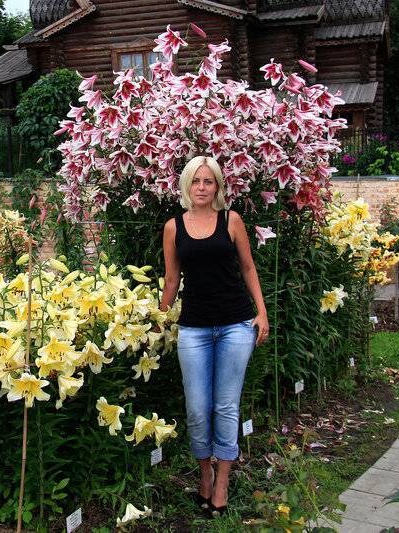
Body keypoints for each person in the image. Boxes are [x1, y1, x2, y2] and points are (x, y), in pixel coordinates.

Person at [159, 155, 269, 517]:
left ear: (218, 187)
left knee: (225, 406)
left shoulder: (231, 221)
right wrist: (159, 318)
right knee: (197, 408)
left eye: (209, 182)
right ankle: (204, 474)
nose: (202, 188)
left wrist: (261, 312)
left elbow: (248, 267)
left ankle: (221, 482)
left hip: (236, 325)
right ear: (187, 186)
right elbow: (172, 279)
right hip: (194, 328)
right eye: (196, 181)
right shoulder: (174, 227)